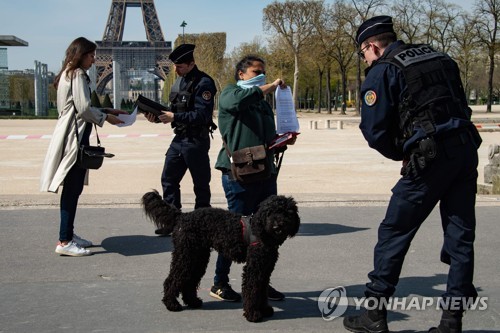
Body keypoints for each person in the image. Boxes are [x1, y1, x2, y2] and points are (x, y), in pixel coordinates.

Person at [343, 16, 482, 333]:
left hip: (428, 159)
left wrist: (403, 152)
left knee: (394, 232)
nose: (365, 59)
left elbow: (375, 131)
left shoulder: (384, 70)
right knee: (460, 239)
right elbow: (459, 104)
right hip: (464, 148)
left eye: (363, 53)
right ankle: (451, 322)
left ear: (373, 46)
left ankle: (374, 313)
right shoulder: (439, 57)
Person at [211, 55, 293, 302]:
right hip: (239, 174)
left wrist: (282, 141)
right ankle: (219, 282)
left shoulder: (261, 103)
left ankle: (261, 281)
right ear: (241, 74)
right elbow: (239, 102)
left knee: (268, 232)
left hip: (265, 172)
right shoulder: (230, 93)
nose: (261, 76)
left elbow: (268, 136)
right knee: (234, 232)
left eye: (263, 72)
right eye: (256, 71)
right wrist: (264, 88)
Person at [40, 37, 127, 256]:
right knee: (72, 188)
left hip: (72, 135)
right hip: (74, 139)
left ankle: (68, 233)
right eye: (91, 55)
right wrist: (106, 118)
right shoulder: (77, 74)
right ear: (81, 54)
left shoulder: (68, 73)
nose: (94, 59)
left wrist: (109, 111)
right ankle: (64, 240)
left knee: (73, 188)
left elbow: (81, 107)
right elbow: (84, 109)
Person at [145, 43, 217, 235]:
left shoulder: (204, 83)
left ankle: (203, 224)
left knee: (200, 184)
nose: (176, 70)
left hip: (196, 141)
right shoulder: (179, 82)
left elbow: (202, 115)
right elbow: (175, 112)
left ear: (191, 63)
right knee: (168, 179)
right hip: (179, 139)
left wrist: (174, 117)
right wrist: (158, 118)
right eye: (175, 66)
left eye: (180, 66)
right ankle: (171, 222)